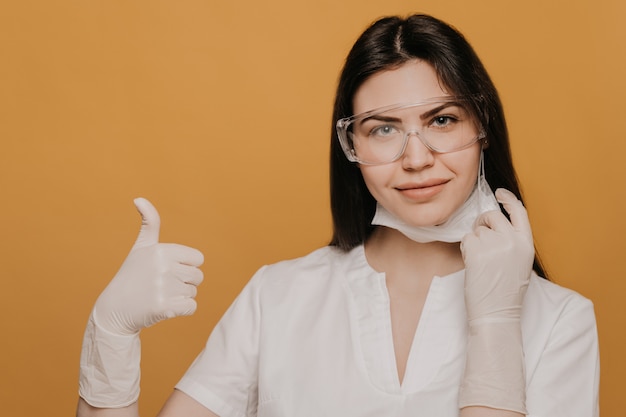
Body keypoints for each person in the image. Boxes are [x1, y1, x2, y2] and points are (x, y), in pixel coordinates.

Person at [76, 14, 599, 417]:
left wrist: (496, 323)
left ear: (482, 125)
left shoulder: (559, 320)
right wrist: (111, 339)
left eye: (441, 120)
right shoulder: (278, 296)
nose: (416, 159)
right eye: (384, 128)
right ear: (350, 144)